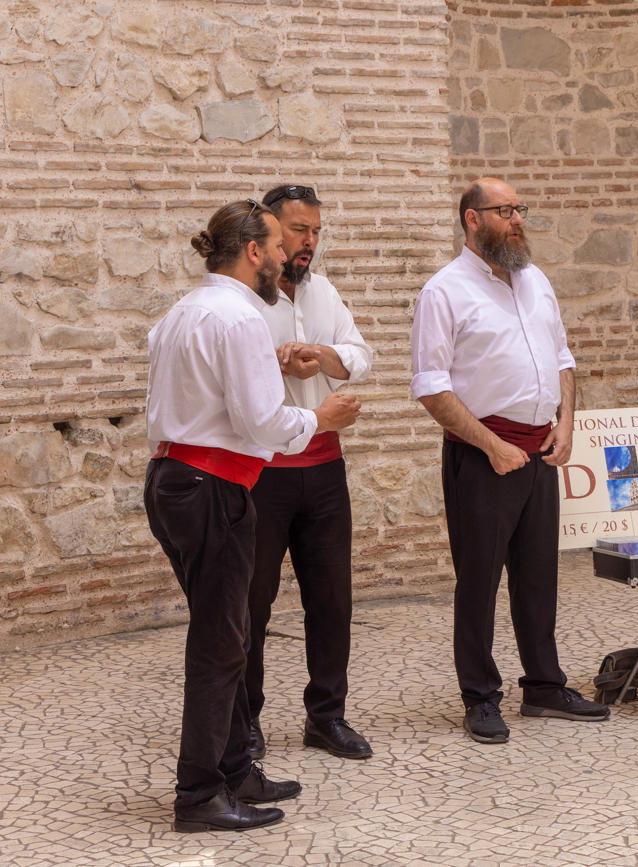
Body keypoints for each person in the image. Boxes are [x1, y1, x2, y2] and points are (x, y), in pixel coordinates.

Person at [144, 200, 361, 832]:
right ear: (254, 251)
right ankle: (201, 795)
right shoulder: (240, 318)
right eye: (274, 244)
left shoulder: (184, 311)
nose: (282, 257)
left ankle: (236, 768)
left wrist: (271, 368)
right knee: (220, 645)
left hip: (176, 480)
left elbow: (198, 392)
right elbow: (262, 423)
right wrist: (321, 418)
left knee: (232, 634)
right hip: (212, 487)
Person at [410, 177, 611, 745]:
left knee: (538, 575)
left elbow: (563, 358)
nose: (518, 219)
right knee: (479, 580)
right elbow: (430, 385)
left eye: (520, 208)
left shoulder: (535, 280)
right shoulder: (443, 292)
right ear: (473, 221)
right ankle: (479, 696)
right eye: (504, 211)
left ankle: (544, 687)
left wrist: (566, 423)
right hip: (483, 454)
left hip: (541, 449)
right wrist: (490, 445)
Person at [244, 184, 376, 761]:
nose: (308, 242)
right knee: (253, 601)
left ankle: (327, 716)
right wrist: (280, 359)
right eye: (298, 230)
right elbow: (235, 378)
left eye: (316, 231)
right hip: (262, 472)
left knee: (332, 599)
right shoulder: (245, 300)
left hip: (324, 469)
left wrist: (321, 355)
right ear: (267, 234)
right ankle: (242, 722)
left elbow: (361, 356)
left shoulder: (323, 291)